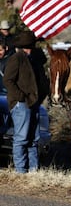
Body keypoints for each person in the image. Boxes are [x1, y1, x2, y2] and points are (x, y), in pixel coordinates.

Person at [3, 30, 49, 173]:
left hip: (33, 103)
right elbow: (8, 80)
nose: (30, 49)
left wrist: (38, 97)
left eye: (31, 46)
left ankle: (33, 170)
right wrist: (20, 97)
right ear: (22, 47)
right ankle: (21, 170)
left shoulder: (33, 59)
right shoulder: (17, 58)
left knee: (33, 139)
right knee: (22, 138)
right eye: (28, 46)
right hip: (21, 103)